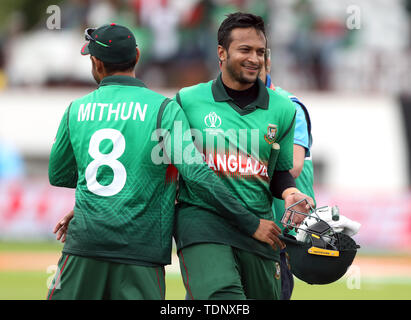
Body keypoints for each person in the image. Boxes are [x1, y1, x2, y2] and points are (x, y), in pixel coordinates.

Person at [47, 23, 283, 300]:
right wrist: (250, 222)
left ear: (96, 63)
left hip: (84, 245)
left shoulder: (77, 109)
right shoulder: (164, 109)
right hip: (141, 250)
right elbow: (197, 174)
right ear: (136, 56)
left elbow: (58, 174)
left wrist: (100, 190)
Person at [173, 12, 314, 300]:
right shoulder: (187, 101)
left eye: (260, 52)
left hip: (261, 229)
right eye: (245, 50)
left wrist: (289, 192)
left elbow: (278, 170)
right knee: (223, 299)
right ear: (221, 53)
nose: (254, 58)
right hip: (203, 224)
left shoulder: (284, 109)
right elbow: (163, 166)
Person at [260, 49, 316, 300]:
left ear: (268, 61)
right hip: (242, 226)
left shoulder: (289, 106)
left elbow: (293, 165)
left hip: (279, 232)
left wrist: (234, 165)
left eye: (259, 55)